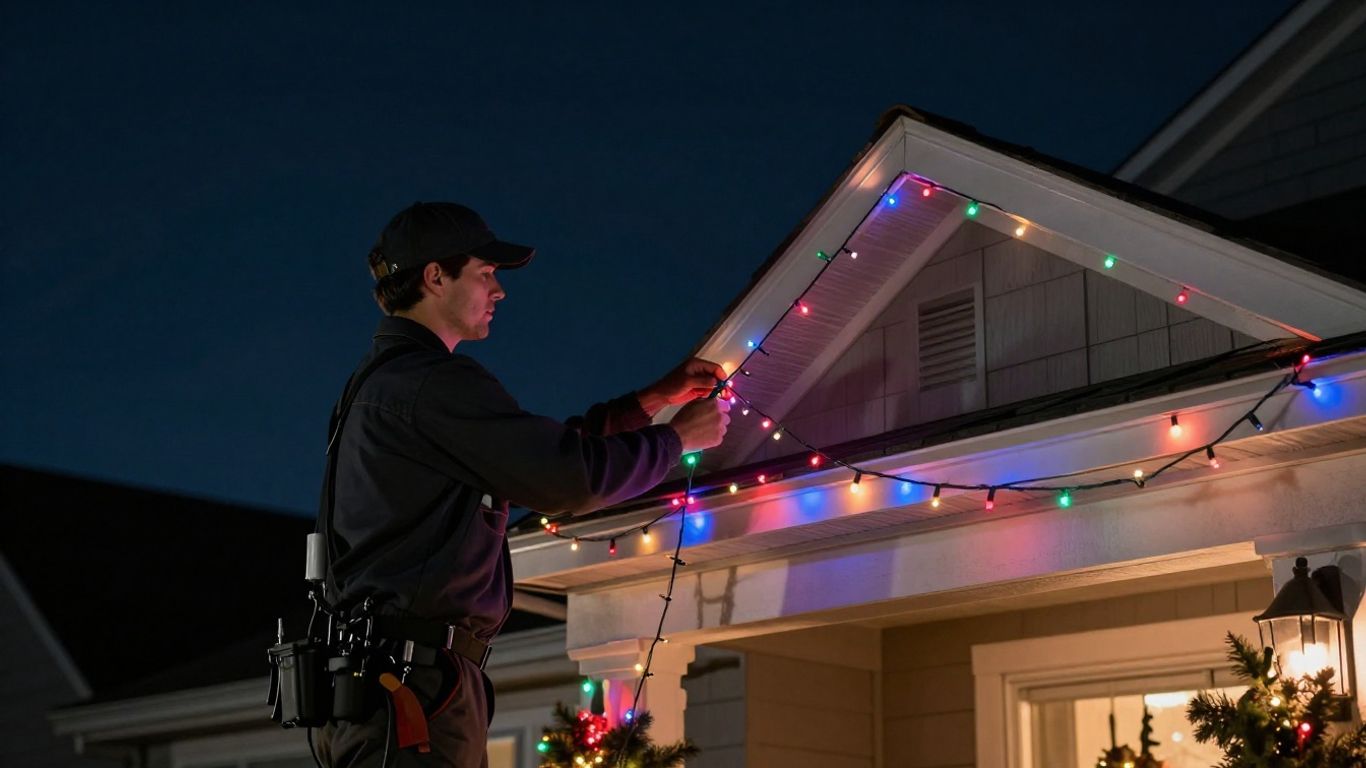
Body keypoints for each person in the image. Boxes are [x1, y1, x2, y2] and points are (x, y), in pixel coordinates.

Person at [316, 202, 730, 767]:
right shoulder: (431, 383)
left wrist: (650, 403)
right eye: (485, 273)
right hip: (414, 690)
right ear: (436, 276)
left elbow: (535, 453)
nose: (499, 291)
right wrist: (674, 441)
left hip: (390, 682)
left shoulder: (381, 385)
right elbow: (568, 478)